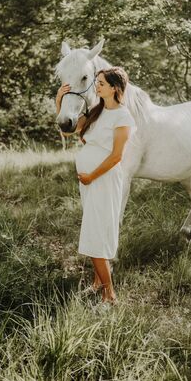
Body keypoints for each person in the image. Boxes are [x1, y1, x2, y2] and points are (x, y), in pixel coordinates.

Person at [56, 67, 136, 306]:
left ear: (115, 88)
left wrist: (91, 175)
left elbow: (116, 157)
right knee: (95, 227)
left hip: (103, 179)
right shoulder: (96, 112)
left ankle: (109, 295)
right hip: (89, 182)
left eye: (101, 83)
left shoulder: (123, 117)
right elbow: (67, 131)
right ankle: (98, 282)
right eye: (97, 82)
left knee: (96, 232)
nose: (96, 86)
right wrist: (60, 100)